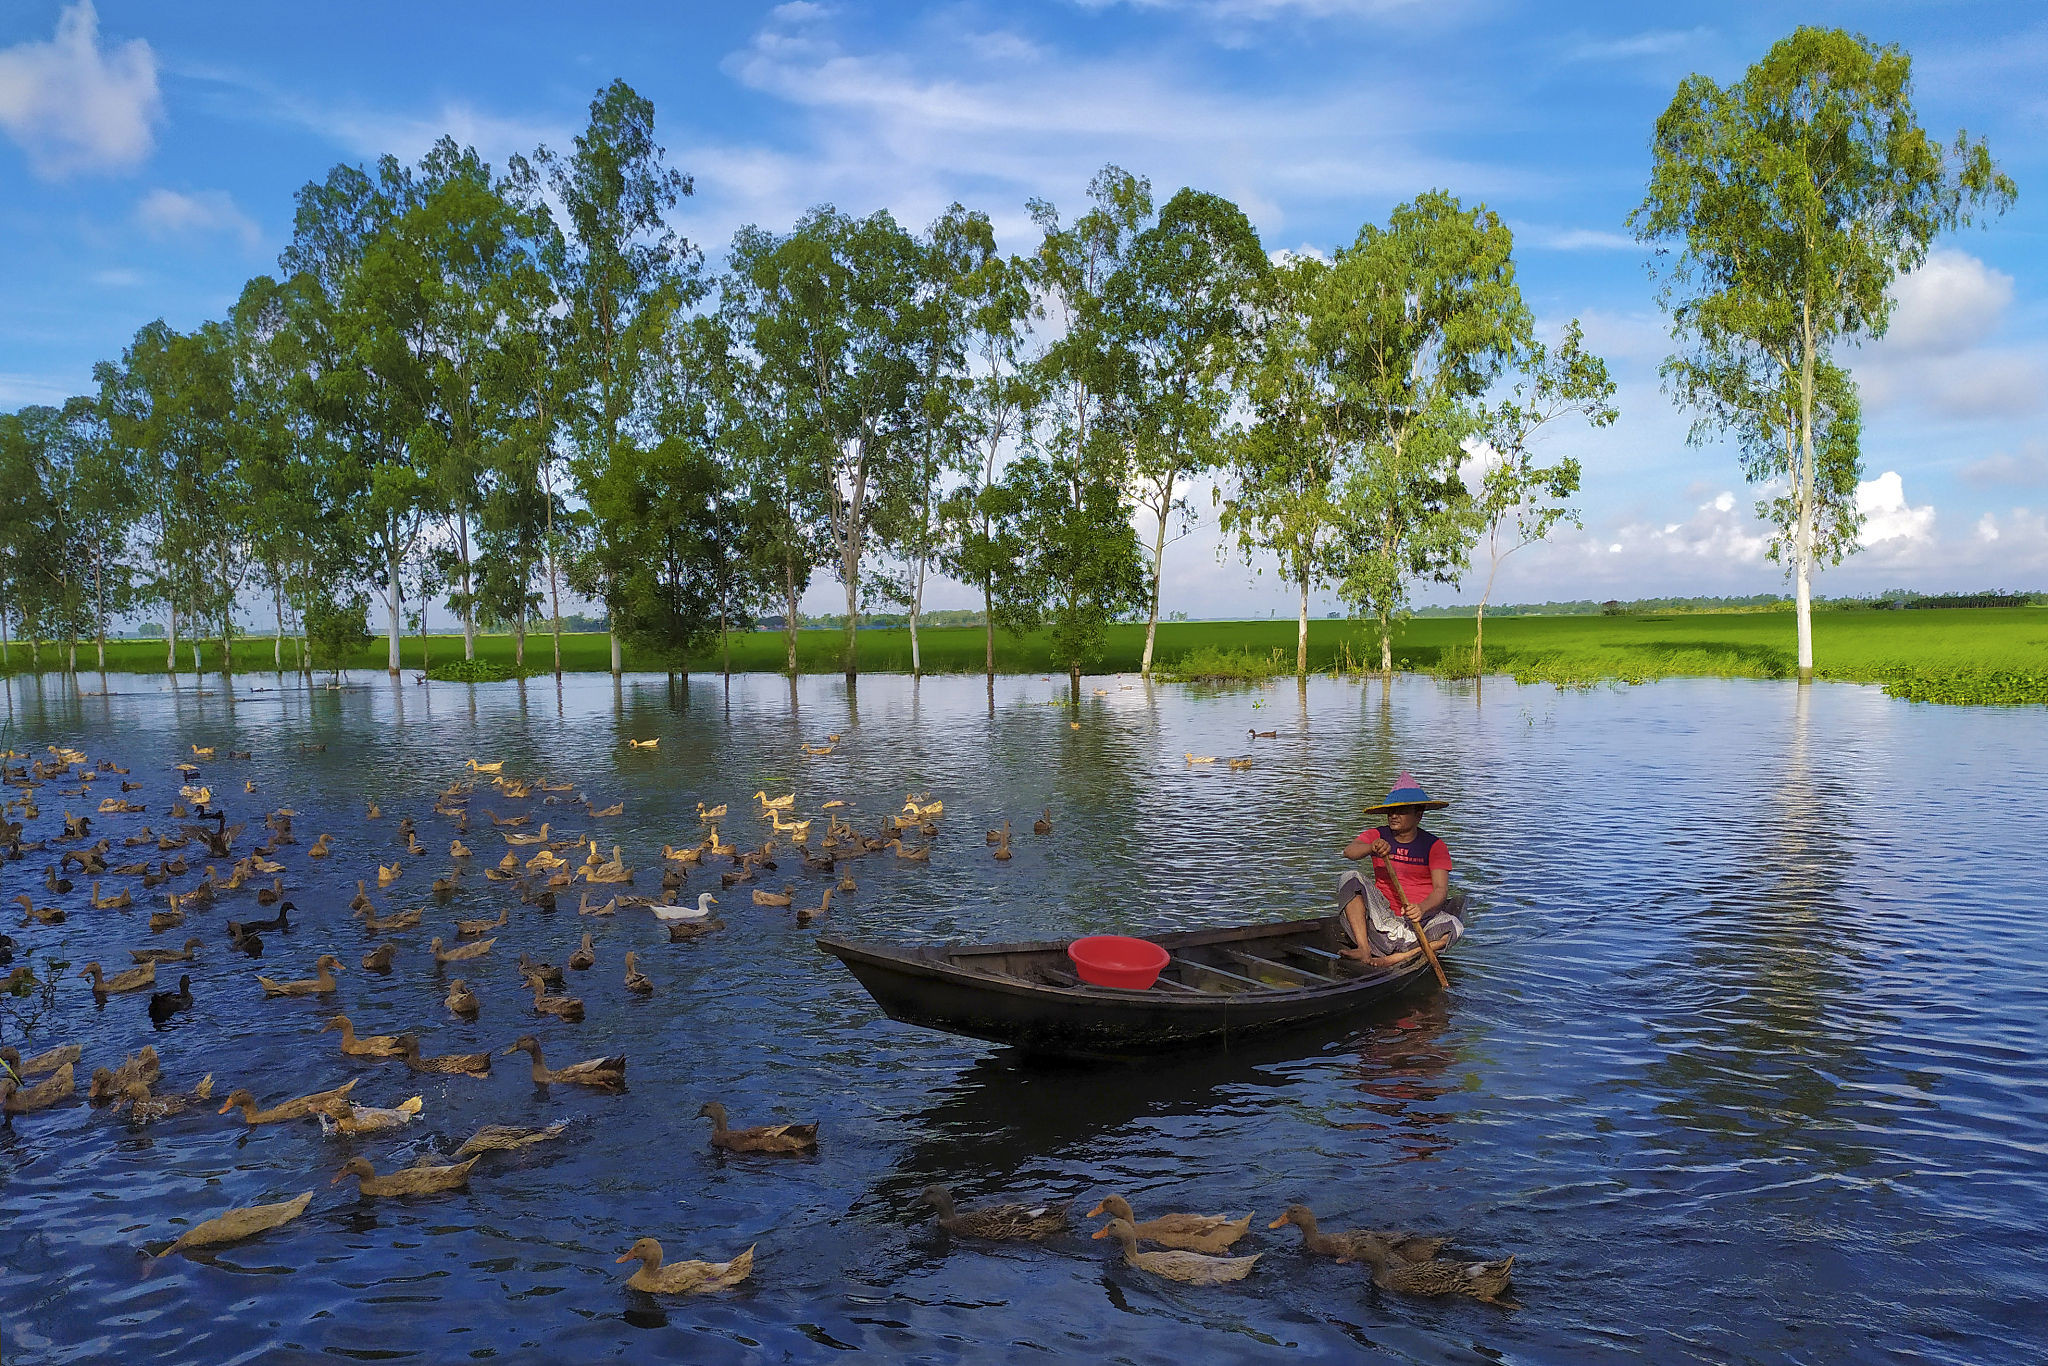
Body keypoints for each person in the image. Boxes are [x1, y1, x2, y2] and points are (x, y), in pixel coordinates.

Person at [1337, 771, 1463, 967]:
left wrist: (1421, 908)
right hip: (1383, 919)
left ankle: (1399, 957)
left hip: (1419, 923)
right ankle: (1363, 949)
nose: (1394, 816)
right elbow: (1349, 851)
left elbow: (1440, 891)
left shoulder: (1434, 846)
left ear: (1418, 815)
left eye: (1402, 811)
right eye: (1391, 811)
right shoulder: (1377, 835)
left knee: (1453, 926)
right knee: (1350, 877)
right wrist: (1371, 848)